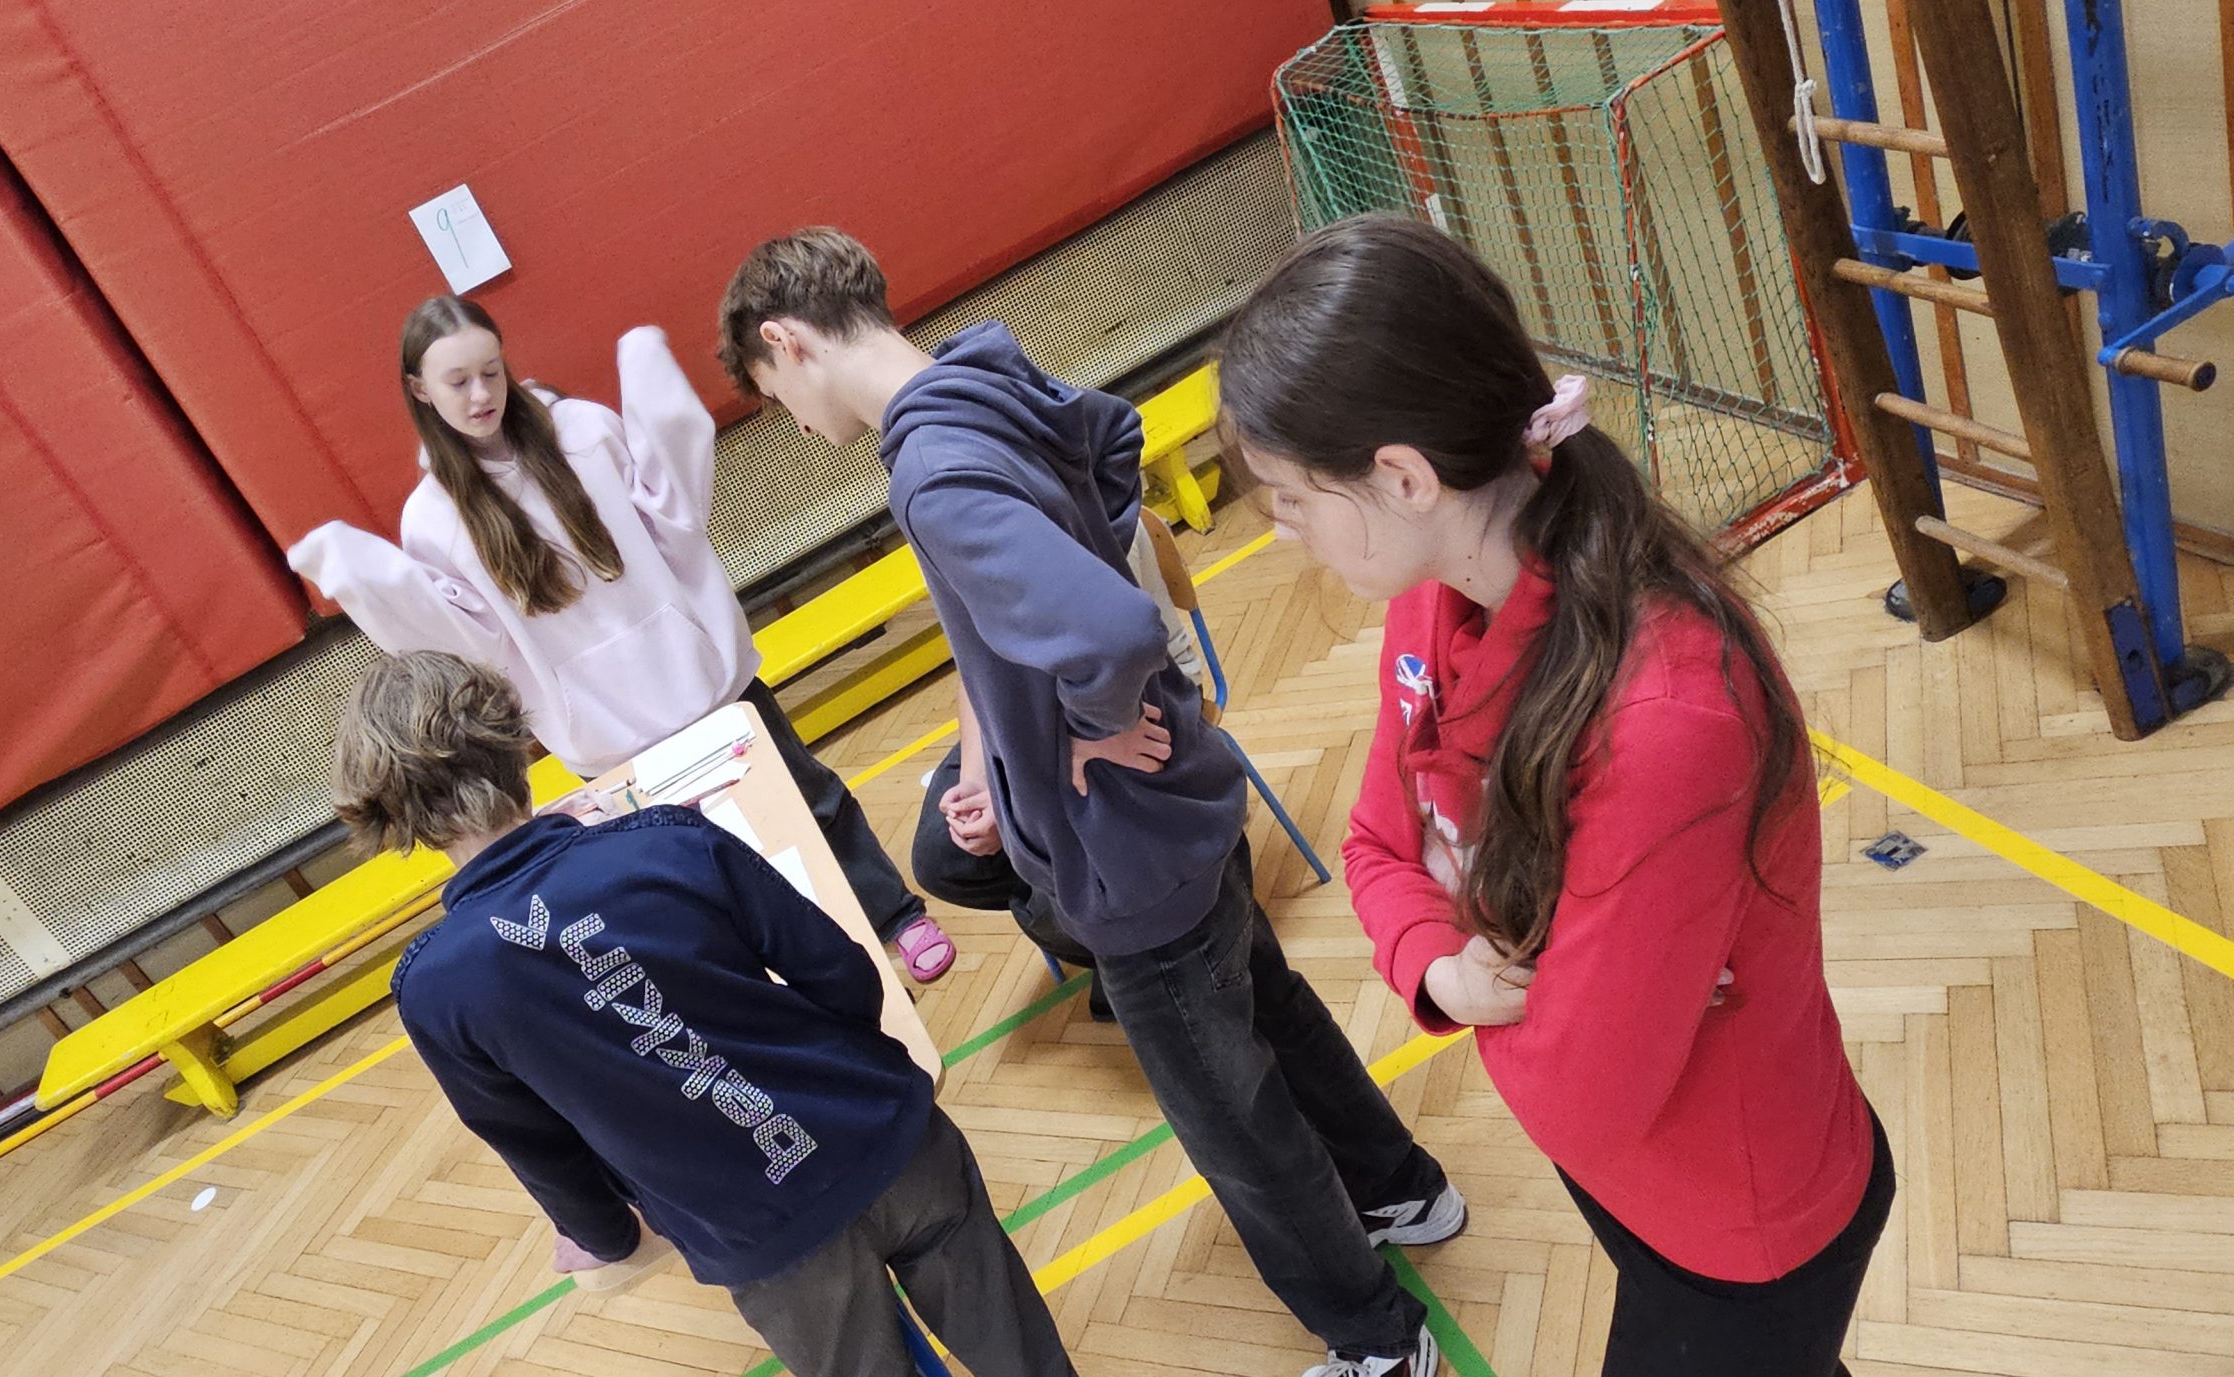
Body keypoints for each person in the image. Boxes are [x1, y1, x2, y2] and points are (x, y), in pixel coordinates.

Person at [722, 229, 1461, 1377]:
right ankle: (1401, 1190)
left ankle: (1377, 1341)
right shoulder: (982, 369)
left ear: (787, 340)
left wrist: (1080, 728)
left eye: (775, 395)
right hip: (1178, 793)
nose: (798, 425)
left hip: (1125, 846)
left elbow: (1108, 629)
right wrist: (1006, 748)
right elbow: (1113, 447)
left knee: (1236, 1126)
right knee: (1271, 1009)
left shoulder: (930, 473)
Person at [1215, 213, 1891, 1377]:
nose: (1288, 535)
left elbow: (1583, 1095)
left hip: (1745, 1222)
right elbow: (1375, 844)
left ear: (1403, 476)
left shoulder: (1667, 720)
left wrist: (1493, 977)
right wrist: (1444, 969)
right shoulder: (1436, 596)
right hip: (1639, 1186)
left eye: (1290, 499)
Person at [342, 651, 1073, 1377]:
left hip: (760, 1236)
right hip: (884, 1135)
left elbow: (536, 1145)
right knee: (1021, 1353)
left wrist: (608, 1234)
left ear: (396, 821)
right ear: (517, 746)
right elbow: (843, 973)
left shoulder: (434, 989)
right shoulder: (665, 839)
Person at [288, 295, 953, 983]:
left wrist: (653, 381)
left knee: (811, 802)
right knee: (693, 869)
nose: (481, 395)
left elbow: (675, 517)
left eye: (490, 371)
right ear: (420, 390)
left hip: (704, 683)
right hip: (606, 735)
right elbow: (466, 643)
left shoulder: (579, 431)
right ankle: (794, 982)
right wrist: (361, 576)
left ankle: (895, 918)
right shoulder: (432, 519)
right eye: (458, 382)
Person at [914, 527, 1210, 1022]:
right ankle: (1095, 929)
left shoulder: (1064, 522)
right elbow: (977, 668)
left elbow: (1123, 667)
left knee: (1046, 889)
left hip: (1132, 706)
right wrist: (979, 781)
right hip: (1034, 714)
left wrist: (1034, 776)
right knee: (941, 858)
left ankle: (1127, 942)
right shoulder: (955, 528)